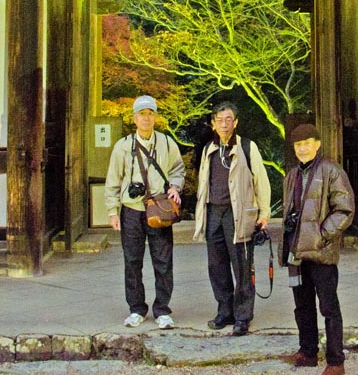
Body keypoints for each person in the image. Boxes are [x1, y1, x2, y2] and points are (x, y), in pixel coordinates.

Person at [104, 94, 186, 328]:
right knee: (132, 261)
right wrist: (112, 211)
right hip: (131, 210)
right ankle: (136, 308)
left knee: (163, 260)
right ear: (134, 118)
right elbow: (113, 180)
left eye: (150, 114)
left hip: (158, 209)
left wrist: (175, 187)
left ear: (155, 117)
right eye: (142, 114)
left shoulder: (167, 143)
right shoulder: (123, 146)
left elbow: (178, 169)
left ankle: (162, 310)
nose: (146, 118)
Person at [192, 100, 271, 336]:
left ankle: (243, 315)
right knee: (216, 266)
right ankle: (224, 311)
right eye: (219, 120)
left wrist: (264, 213)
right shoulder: (209, 149)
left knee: (242, 266)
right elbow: (203, 183)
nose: (224, 124)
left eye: (228, 119)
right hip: (214, 212)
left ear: (235, 122)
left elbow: (261, 181)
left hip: (238, 213)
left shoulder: (247, 147)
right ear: (213, 123)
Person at [280, 123, 354, 375]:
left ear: (317, 144)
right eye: (298, 145)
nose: (302, 149)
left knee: (329, 307)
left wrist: (322, 236)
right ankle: (308, 352)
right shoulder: (292, 175)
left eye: (306, 144)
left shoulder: (331, 171)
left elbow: (344, 210)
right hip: (297, 251)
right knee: (302, 306)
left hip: (321, 252)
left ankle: (336, 361)